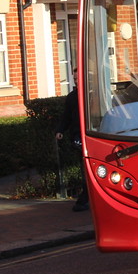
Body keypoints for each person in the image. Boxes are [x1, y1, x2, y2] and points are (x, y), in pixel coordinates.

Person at [55, 68, 89, 212]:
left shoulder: (93, 95)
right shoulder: (72, 97)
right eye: (74, 79)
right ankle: (84, 199)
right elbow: (66, 117)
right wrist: (60, 130)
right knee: (85, 169)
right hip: (78, 137)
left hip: (93, 136)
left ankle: (86, 198)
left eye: (78, 78)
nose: (76, 81)